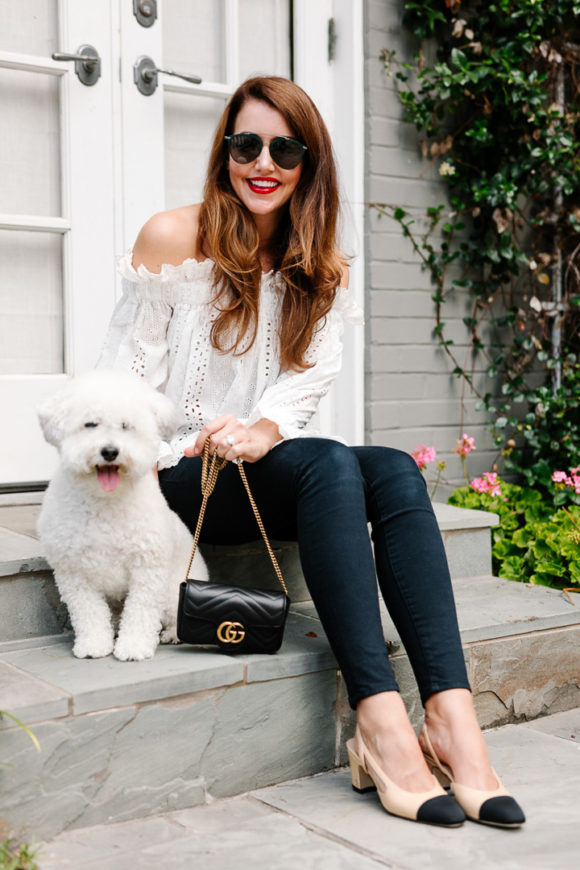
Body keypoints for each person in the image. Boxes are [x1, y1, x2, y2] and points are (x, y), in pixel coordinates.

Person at [98, 75, 524, 828]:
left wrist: (260, 430)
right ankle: (383, 726)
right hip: (175, 477)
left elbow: (297, 393)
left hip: (262, 466)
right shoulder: (174, 240)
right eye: (246, 144)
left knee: (390, 469)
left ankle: (454, 724)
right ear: (225, 150)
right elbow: (120, 401)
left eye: (284, 148)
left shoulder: (321, 265)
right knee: (328, 460)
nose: (262, 162)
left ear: (309, 161)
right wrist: (198, 441)